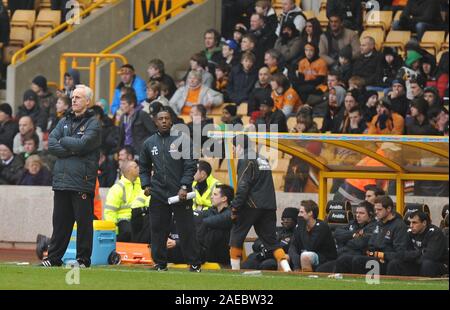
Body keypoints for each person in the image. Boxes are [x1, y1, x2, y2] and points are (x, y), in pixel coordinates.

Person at [41, 85, 102, 268]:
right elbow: (51, 144)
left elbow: (83, 145)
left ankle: (83, 260)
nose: (74, 100)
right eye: (73, 97)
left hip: (82, 181)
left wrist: (65, 142)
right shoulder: (64, 120)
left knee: (84, 223)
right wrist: (73, 147)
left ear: (87, 101)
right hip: (61, 180)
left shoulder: (94, 123)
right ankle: (53, 258)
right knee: (60, 222)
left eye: (78, 97)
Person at [139, 107, 201, 272]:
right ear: (155, 122)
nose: (164, 121)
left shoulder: (183, 139)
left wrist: (184, 186)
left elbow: (190, 165)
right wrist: (146, 185)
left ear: (172, 121)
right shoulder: (148, 143)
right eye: (161, 119)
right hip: (158, 193)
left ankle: (194, 263)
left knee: (186, 229)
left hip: (180, 193)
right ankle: (160, 263)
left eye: (167, 118)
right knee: (158, 229)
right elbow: (144, 167)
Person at [229, 134, 292, 272]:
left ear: (239, 146)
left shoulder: (245, 159)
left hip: (251, 205)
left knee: (236, 237)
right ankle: (287, 270)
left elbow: (243, 186)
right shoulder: (263, 159)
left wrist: (235, 207)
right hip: (268, 206)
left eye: (233, 147)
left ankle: (234, 271)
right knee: (271, 241)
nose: (232, 151)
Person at [347, 196, 409, 275]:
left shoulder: (399, 225)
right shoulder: (378, 224)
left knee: (358, 260)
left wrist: (380, 254)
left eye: (379, 209)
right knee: (345, 259)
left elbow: (400, 253)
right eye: (375, 209)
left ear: (389, 209)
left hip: (386, 261)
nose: (376, 212)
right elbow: (371, 244)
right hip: (373, 257)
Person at [317, 201, 377, 273]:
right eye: (357, 212)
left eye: (361, 213)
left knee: (322, 270)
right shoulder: (353, 223)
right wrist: (353, 235)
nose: (357, 215)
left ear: (370, 215)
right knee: (319, 268)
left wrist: (345, 240)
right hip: (340, 254)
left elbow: (360, 243)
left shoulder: (374, 226)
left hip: (355, 258)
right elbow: (337, 233)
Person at [387, 211, 449, 277]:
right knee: (394, 263)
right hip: (417, 262)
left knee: (427, 264)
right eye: (410, 222)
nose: (411, 226)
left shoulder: (435, 233)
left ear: (424, 223)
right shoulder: (409, 232)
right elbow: (402, 252)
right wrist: (419, 253)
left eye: (414, 223)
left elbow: (431, 256)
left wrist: (411, 256)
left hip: (439, 264)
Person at [104, 161, 148, 242]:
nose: (139, 168)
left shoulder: (143, 184)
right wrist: (114, 231)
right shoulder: (117, 188)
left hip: (140, 218)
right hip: (123, 221)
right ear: (128, 171)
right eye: (135, 167)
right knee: (128, 232)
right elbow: (110, 212)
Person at [289, 200, 337, 272]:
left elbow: (310, 247)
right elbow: (292, 247)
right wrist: (296, 265)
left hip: (325, 259)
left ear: (310, 213)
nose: (298, 215)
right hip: (305, 254)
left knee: (305, 256)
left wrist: (301, 226)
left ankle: (307, 281)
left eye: (301, 212)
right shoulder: (299, 226)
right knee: (284, 258)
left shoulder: (322, 227)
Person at [195, 184, 234, 265]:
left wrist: (203, 221)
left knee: (213, 228)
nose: (211, 197)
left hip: (224, 258)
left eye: (215, 194)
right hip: (208, 255)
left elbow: (214, 221)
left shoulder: (231, 213)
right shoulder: (210, 211)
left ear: (224, 198)